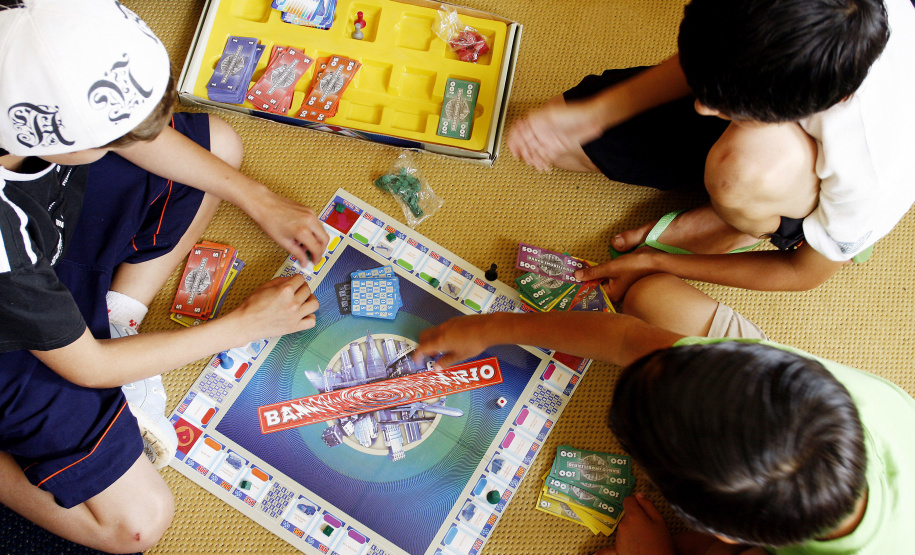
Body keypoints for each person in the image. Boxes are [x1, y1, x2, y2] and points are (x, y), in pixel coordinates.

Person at [0, 0, 327, 552]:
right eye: (111, 137)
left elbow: (132, 134)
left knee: (218, 149)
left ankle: (116, 316)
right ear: (50, 140)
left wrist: (259, 199)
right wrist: (244, 324)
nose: (133, 140)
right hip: (16, 333)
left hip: (40, 247)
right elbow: (90, 368)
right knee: (136, 525)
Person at [415, 273, 915, 554]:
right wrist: (493, 327)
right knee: (650, 295)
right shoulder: (798, 386)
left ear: (729, 533)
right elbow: (627, 336)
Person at [508, 0, 915, 301]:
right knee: (562, 143)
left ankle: (741, 223)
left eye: (727, 107)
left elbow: (802, 271)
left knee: (742, 168)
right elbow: (712, 61)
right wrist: (595, 114)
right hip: (770, 84)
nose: (703, 109)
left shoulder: (874, 165)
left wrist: (657, 262)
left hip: (795, 167)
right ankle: (733, 156)